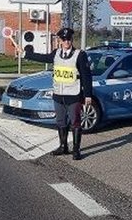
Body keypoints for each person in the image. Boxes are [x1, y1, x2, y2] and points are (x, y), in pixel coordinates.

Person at [18, 27, 92, 160]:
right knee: (60, 122)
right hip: (58, 94)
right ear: (60, 41)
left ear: (71, 40)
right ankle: (63, 147)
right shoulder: (56, 53)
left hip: (73, 95)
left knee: (75, 122)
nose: (66, 42)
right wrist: (25, 54)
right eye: (64, 39)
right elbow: (44, 58)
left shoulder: (80, 55)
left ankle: (76, 150)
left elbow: (87, 76)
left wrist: (88, 95)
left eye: (69, 39)